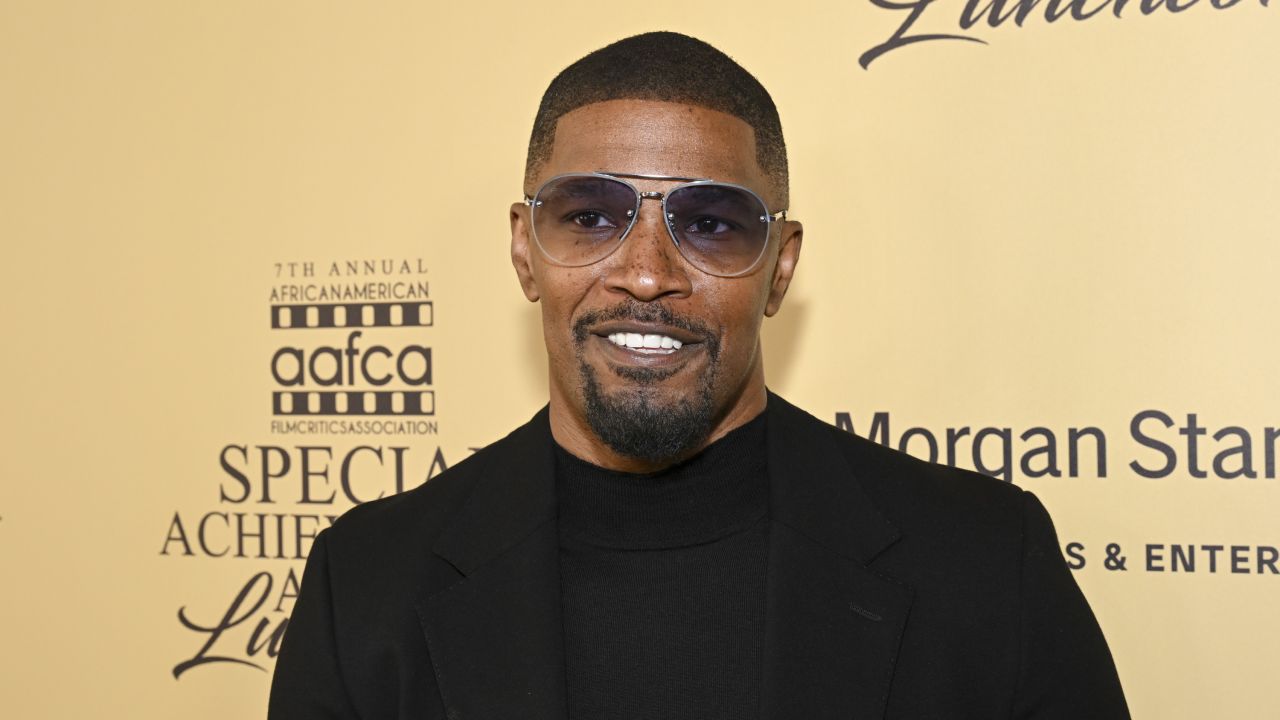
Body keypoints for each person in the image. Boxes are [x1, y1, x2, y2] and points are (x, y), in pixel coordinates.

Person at [268, 31, 1130, 719]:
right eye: (590, 215)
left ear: (780, 269)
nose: (646, 274)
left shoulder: (983, 564)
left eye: (712, 224)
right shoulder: (369, 585)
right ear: (525, 251)